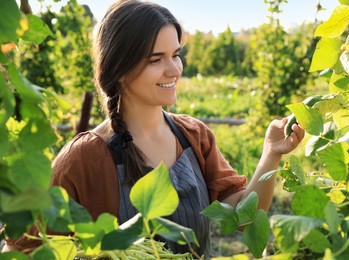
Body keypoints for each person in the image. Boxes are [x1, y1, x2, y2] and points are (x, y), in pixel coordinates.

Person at [4, 0, 305, 257]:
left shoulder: (194, 136)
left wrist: (271, 154)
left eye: (175, 55)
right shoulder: (84, 158)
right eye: (156, 59)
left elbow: (244, 218)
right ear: (119, 69)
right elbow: (22, 250)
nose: (174, 69)